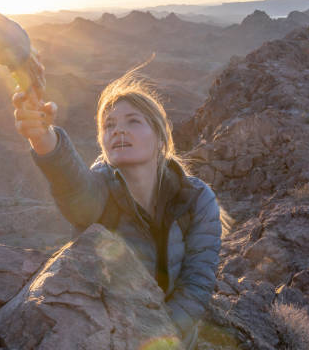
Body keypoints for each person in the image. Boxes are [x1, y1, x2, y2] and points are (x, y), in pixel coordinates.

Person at [12, 68, 222, 350]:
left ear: (160, 138)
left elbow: (197, 283)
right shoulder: (100, 192)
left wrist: (162, 337)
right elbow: (72, 185)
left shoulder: (196, 198)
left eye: (133, 121)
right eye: (109, 125)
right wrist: (41, 135)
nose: (118, 130)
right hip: (107, 338)